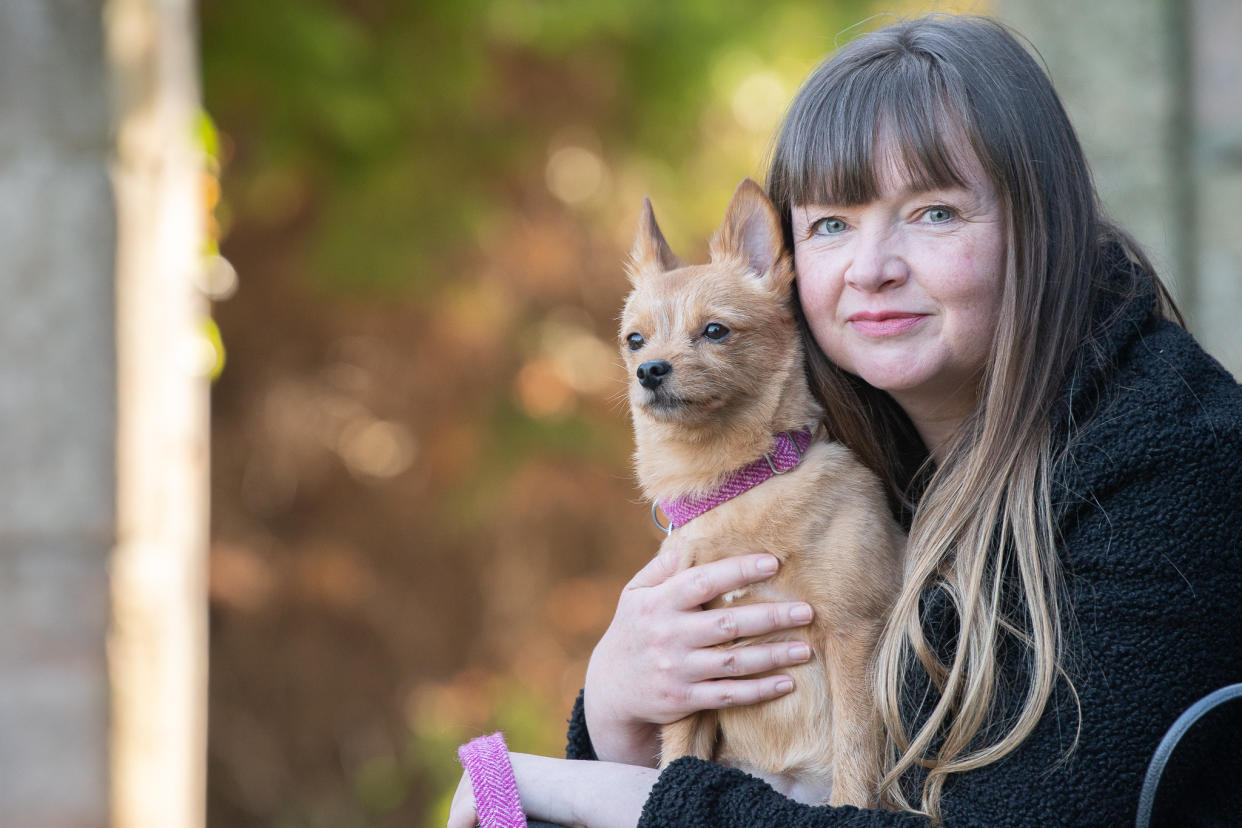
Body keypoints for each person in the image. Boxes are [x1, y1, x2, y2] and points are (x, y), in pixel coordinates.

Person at [449, 14, 1242, 827]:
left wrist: (593, 793)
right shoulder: (836, 455)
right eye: (831, 224)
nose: (871, 268)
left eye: (934, 212)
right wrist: (615, 717)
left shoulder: (1177, 473)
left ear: (1043, 220)